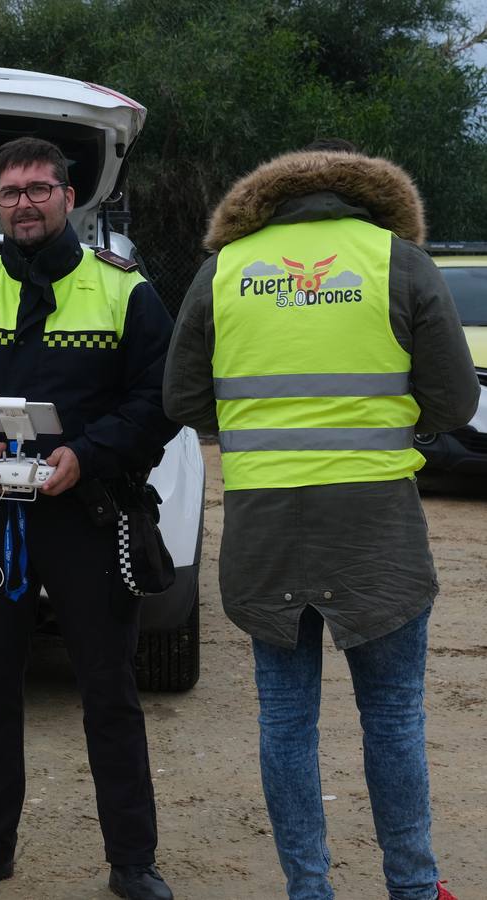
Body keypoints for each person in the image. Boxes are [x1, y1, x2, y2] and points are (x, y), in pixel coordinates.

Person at [163, 141, 476, 900]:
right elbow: (456, 403)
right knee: (395, 713)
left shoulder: (226, 269)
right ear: (373, 199)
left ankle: (310, 889)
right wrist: (399, 425)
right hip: (377, 526)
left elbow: (182, 400)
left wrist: (256, 424)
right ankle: (413, 885)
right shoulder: (397, 260)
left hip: (266, 523)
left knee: (285, 719)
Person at [0, 137, 179, 899]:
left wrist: (86, 457)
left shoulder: (124, 290)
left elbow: (161, 401)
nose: (23, 202)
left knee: (108, 691)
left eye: (38, 188)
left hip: (88, 513)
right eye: (10, 192)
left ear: (68, 196)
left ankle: (132, 861)